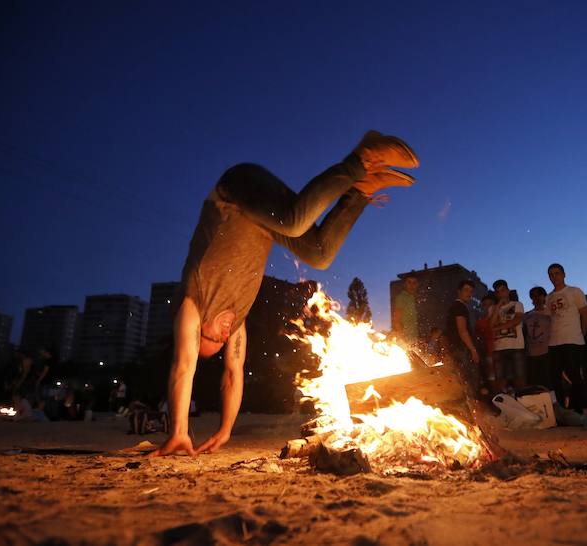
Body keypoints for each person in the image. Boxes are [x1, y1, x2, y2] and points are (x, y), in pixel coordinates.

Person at [152, 130, 419, 457]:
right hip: (265, 221)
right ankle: (361, 190)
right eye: (221, 342)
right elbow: (232, 375)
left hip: (235, 192)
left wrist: (178, 431)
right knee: (320, 254)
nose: (223, 336)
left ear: (197, 330)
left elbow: (183, 366)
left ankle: (361, 158)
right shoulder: (237, 324)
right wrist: (224, 430)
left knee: (294, 222)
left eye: (210, 339)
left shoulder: (192, 300)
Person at [545, 263, 587, 414]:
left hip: (573, 340)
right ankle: (562, 410)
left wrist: (581, 333)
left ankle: (578, 410)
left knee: (574, 374)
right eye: (551, 274)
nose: (554, 277)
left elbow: (585, 314)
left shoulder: (574, 291)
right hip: (554, 341)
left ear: (564, 274)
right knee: (555, 376)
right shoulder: (549, 297)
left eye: (557, 273)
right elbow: (549, 319)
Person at [490, 280, 526, 392]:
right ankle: (504, 404)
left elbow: (517, 320)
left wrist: (497, 328)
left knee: (519, 377)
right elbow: (490, 324)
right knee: (500, 379)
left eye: (503, 290)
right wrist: (497, 308)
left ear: (508, 291)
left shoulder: (517, 305)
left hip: (516, 346)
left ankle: (522, 401)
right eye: (497, 292)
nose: (500, 293)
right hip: (499, 348)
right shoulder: (492, 309)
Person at [445, 280, 480, 391]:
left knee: (460, 380)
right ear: (458, 291)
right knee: (468, 381)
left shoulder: (454, 307)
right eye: (466, 290)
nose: (469, 293)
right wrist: (473, 350)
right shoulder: (460, 307)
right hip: (462, 349)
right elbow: (463, 331)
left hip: (455, 349)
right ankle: (473, 406)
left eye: (471, 291)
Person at [523, 286, 552, 391]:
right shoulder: (526, 316)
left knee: (549, 380)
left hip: (547, 352)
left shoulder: (550, 314)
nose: (536, 298)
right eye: (533, 296)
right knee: (535, 382)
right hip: (531, 353)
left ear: (544, 296)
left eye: (539, 295)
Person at [473, 292, 498, 394]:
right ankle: (494, 396)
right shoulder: (479, 322)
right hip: (488, 352)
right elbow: (478, 338)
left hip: (501, 350)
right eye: (485, 304)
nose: (488, 307)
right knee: (491, 376)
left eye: (490, 304)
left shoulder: (500, 318)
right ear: (482, 306)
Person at [392, 274, 420, 347]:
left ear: (417, 285)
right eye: (409, 282)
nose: (412, 285)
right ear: (405, 284)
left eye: (414, 283)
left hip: (413, 339)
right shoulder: (402, 297)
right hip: (404, 340)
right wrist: (402, 337)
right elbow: (396, 319)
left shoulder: (413, 298)